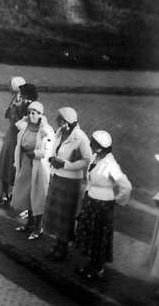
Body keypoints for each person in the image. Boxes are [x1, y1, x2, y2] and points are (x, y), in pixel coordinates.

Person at [74, 130, 132, 280]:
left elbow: (126, 186)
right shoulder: (95, 158)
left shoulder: (111, 165)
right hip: (91, 202)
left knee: (98, 237)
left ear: (99, 147)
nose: (90, 145)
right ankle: (90, 265)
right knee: (90, 235)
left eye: (92, 143)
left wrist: (117, 199)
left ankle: (98, 269)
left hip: (103, 206)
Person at [43, 106, 93, 261]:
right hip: (57, 177)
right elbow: (54, 150)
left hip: (70, 182)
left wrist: (66, 165)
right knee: (56, 214)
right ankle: (57, 245)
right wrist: (52, 159)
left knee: (65, 215)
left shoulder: (81, 137)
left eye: (60, 120)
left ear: (67, 121)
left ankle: (62, 249)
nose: (58, 122)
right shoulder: (59, 132)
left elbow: (86, 160)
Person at [11, 99, 54, 239]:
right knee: (27, 194)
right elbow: (18, 127)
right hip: (25, 164)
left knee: (38, 195)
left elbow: (47, 152)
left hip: (38, 166)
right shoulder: (25, 126)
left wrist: (33, 153)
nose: (31, 115)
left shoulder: (46, 130)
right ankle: (29, 223)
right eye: (29, 112)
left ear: (41, 114)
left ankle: (38, 227)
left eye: (34, 113)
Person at [0, 77, 30, 207]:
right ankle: (4, 194)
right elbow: (7, 114)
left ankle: (13, 195)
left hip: (18, 137)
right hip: (10, 135)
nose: (9, 87)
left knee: (14, 166)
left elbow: (23, 121)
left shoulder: (25, 103)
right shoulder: (14, 99)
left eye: (11, 85)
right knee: (5, 165)